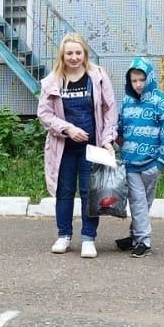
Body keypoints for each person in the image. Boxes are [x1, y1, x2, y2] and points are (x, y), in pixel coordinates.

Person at [38, 32, 117, 258]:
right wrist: (68, 129)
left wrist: (107, 139)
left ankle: (88, 238)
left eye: (78, 53)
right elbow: (44, 114)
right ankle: (63, 235)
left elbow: (109, 109)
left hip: (92, 148)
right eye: (69, 53)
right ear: (62, 56)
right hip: (63, 148)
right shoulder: (52, 81)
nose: (74, 57)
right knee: (64, 193)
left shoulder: (98, 76)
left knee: (89, 192)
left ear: (85, 54)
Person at [114, 56, 164, 257]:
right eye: (134, 80)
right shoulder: (126, 101)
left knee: (145, 202)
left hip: (153, 163)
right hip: (131, 162)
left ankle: (135, 236)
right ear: (129, 81)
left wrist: (162, 162)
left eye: (142, 79)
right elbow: (120, 127)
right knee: (137, 202)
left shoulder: (160, 101)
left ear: (149, 78)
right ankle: (144, 242)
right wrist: (110, 136)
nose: (138, 84)